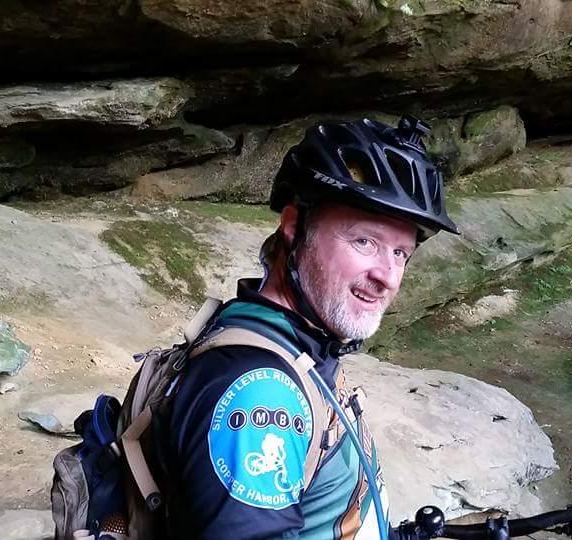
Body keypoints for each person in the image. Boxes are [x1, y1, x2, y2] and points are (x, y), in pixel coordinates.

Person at [150, 116, 458, 539]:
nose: (386, 276)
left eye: (401, 253)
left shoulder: (298, 341)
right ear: (295, 227)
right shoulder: (260, 391)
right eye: (364, 241)